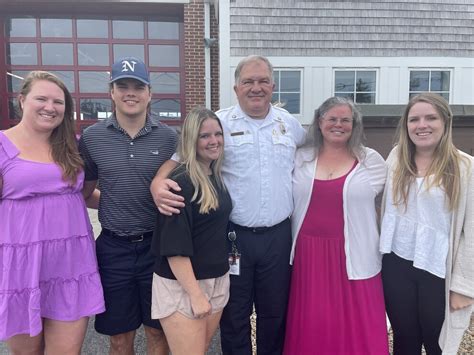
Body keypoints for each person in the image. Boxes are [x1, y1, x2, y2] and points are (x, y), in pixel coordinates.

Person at [151, 55, 306, 354]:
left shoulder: (290, 125)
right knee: (234, 316)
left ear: (273, 86)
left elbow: (318, 154)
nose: (256, 87)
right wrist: (157, 184)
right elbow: (177, 159)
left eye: (262, 81)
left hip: (278, 236)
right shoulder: (219, 123)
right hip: (235, 239)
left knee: (275, 313)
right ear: (236, 88)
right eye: (248, 81)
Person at [0, 71, 105, 354]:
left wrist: (128, 204)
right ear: (22, 101)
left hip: (71, 265)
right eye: (41, 99)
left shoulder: (71, 146)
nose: (50, 107)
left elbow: (80, 195)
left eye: (58, 102)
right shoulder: (2, 145)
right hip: (22, 267)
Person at [79, 57, 177, 355]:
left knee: (157, 332)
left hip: (156, 246)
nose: (130, 92)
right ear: (112, 92)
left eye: (138, 86)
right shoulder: (93, 138)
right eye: (123, 86)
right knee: (120, 337)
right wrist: (112, 203)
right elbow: (85, 193)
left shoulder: (169, 137)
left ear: (149, 93)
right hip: (114, 249)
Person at [284, 96, 389, 354]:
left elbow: (397, 202)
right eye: (332, 119)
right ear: (320, 122)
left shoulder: (371, 161)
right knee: (313, 320)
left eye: (345, 120)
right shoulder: (300, 158)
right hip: (308, 255)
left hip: (354, 253)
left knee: (359, 322)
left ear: (354, 125)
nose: (338, 124)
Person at [379, 93, 473, 355]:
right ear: (406, 125)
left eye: (431, 118)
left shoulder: (465, 167)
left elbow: (473, 233)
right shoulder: (397, 158)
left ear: (445, 122)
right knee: (404, 339)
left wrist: (465, 287)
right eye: (414, 119)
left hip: (438, 270)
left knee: (437, 342)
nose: (422, 125)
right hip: (396, 264)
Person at [151, 107, 232, 355]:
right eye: (205, 136)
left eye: (217, 134)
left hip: (216, 280)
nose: (214, 141)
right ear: (190, 139)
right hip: (184, 286)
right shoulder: (180, 182)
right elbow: (174, 247)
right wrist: (196, 295)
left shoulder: (214, 175)